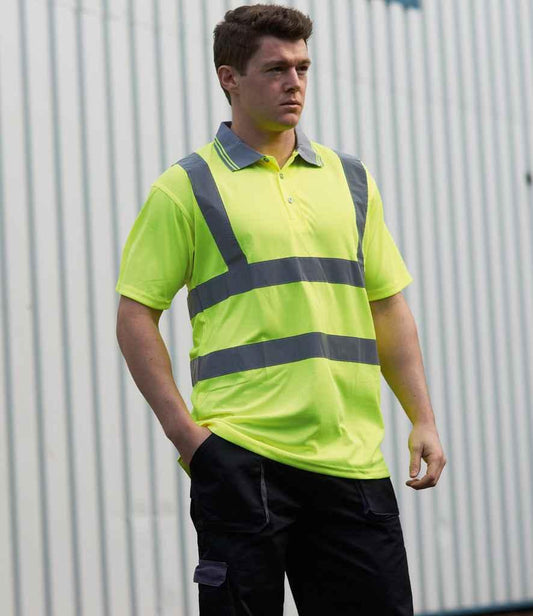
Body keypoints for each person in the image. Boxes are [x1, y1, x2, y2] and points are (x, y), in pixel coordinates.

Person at [115, 4, 446, 615]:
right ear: (229, 78)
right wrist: (190, 440)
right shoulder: (186, 187)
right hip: (243, 458)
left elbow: (387, 305)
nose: (294, 82)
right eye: (275, 69)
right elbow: (135, 315)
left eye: (302, 67)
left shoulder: (351, 179)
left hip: (351, 460)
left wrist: (421, 417)